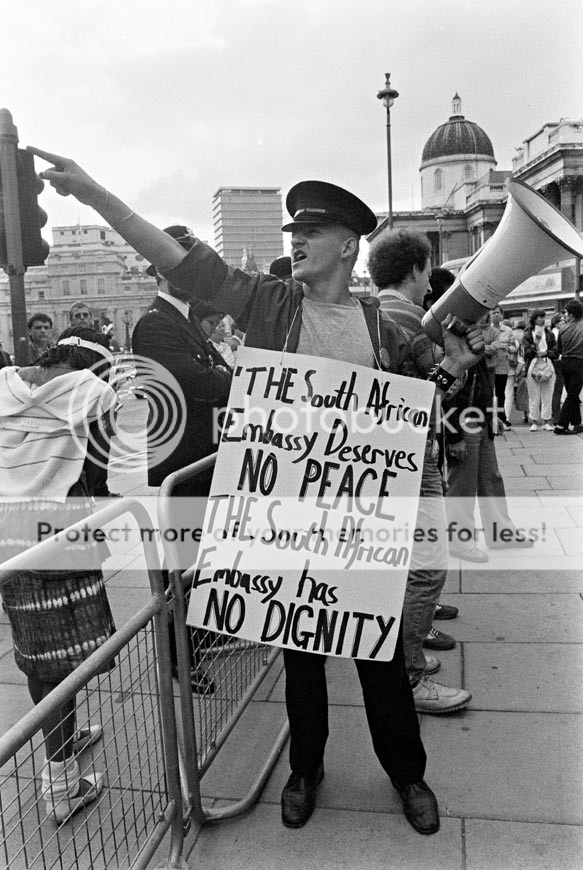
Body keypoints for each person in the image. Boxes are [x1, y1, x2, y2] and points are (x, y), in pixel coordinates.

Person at [31, 147, 487, 837]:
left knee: (379, 658)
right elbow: (185, 262)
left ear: (346, 245)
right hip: (289, 526)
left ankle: (406, 773)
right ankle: (305, 769)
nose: (295, 241)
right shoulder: (270, 304)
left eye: (310, 232)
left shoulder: (381, 326)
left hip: (362, 525)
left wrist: (456, 370)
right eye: (290, 233)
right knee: (301, 658)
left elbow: (421, 403)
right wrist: (94, 193)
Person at [0, 326, 117, 823]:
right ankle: (62, 784)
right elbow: (98, 474)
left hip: (8, 539)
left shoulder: (5, 382)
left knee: (41, 658)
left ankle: (65, 736)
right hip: (59, 540)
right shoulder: (93, 393)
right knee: (59, 667)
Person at [368, 234, 471, 715]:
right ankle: (408, 676)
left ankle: (405, 664)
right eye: (428, 270)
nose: (430, 280)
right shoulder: (413, 320)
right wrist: (456, 364)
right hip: (412, 459)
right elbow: (429, 399)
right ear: (413, 269)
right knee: (427, 569)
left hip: (392, 461)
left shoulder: (373, 313)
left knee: (407, 571)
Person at [133, 225, 233, 694]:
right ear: (159, 270)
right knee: (184, 566)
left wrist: (219, 375)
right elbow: (200, 382)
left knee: (202, 561)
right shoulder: (155, 323)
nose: (186, 270)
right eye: (176, 261)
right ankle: (179, 658)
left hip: (205, 460)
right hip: (184, 464)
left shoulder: (186, 318)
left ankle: (200, 635)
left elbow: (217, 373)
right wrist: (232, 380)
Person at [444, 313, 535, 562]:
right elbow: (447, 392)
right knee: (462, 483)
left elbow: (482, 383)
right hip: (464, 419)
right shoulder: (451, 336)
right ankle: (457, 540)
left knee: (490, 477)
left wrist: (491, 414)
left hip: (478, 417)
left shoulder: (470, 332)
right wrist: (454, 435)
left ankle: (501, 532)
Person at [522, 309, 557, 431]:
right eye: (539, 317)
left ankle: (547, 421)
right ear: (534, 319)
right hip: (533, 363)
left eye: (543, 316)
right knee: (533, 394)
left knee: (548, 394)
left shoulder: (550, 334)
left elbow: (556, 351)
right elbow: (526, 352)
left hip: (547, 363)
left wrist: (546, 353)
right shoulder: (527, 334)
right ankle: (534, 421)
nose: (542, 319)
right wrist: (535, 344)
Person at [483, 306, 515, 430]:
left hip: (502, 366)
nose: (496, 315)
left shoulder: (508, 330)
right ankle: (491, 419)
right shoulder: (487, 329)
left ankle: (502, 419)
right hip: (489, 366)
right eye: (493, 313)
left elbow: (514, 348)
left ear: (502, 315)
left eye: (498, 313)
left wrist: (506, 347)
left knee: (501, 394)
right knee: (489, 393)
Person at [554, 298, 583, 434]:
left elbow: (558, 349)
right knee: (572, 395)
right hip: (578, 362)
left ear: (571, 314)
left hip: (565, 363)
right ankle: (561, 425)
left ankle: (577, 423)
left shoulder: (563, 328)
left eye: (566, 313)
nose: (565, 315)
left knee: (573, 393)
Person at [550, 313, 565, 424]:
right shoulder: (556, 334)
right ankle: (556, 416)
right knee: (557, 390)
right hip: (558, 362)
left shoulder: (554, 333)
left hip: (555, 363)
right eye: (561, 321)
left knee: (556, 390)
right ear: (555, 322)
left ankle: (556, 415)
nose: (563, 323)